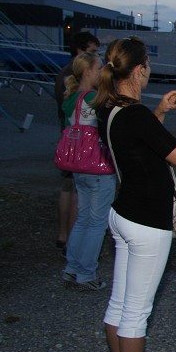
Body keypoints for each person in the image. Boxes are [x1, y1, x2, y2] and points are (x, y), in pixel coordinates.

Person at [94, 37, 176, 352]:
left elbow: (138, 144)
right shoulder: (134, 115)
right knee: (136, 312)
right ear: (140, 69)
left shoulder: (112, 108)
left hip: (123, 214)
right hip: (146, 223)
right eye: (148, 64)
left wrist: (160, 112)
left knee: (119, 304)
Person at [60, 50, 116, 290]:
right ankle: (86, 273)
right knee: (97, 222)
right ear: (88, 71)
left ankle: (72, 268)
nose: (102, 70)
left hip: (76, 165)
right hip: (96, 164)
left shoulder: (71, 97)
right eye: (99, 67)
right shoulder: (92, 98)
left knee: (83, 218)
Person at [54, 32, 100, 256]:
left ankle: (67, 241)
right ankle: (81, 254)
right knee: (88, 210)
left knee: (70, 192)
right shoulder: (91, 96)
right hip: (88, 154)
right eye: (93, 53)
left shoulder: (69, 89)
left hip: (70, 148)